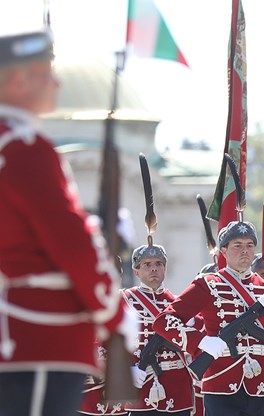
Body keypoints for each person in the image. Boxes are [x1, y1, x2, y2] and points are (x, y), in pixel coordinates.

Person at [0, 31, 136, 416]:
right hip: (40, 336)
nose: (57, 83)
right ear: (17, 80)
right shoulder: (25, 147)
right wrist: (115, 312)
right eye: (46, 73)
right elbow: (71, 242)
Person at [152, 220, 264, 416]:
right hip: (221, 383)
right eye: (237, 245)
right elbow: (163, 321)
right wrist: (201, 342)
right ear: (223, 251)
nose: (245, 251)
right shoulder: (208, 284)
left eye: (249, 245)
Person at [124, 244, 196, 415]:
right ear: (136, 271)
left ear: (165, 268)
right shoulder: (125, 300)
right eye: (147, 264)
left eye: (158, 263)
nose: (154, 268)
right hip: (140, 385)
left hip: (176, 388)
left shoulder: (179, 303)